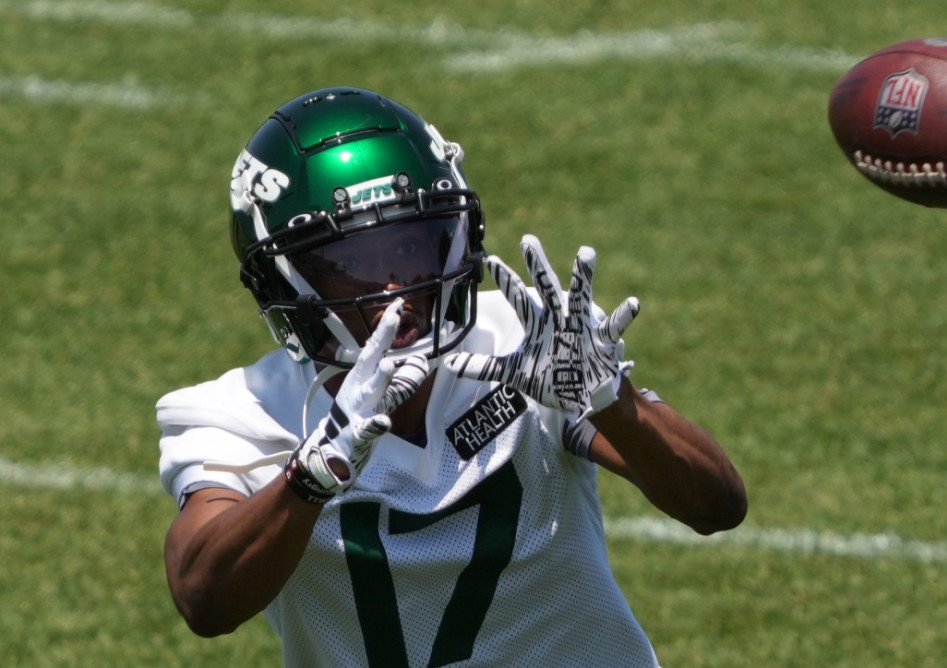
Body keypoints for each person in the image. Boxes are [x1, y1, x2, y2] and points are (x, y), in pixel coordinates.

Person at [157, 86, 747, 667]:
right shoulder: (243, 414)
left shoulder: (521, 341)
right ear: (286, 283)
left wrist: (611, 401)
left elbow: (716, 506)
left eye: (414, 246)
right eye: (355, 264)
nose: (397, 286)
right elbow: (204, 600)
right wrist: (309, 476)